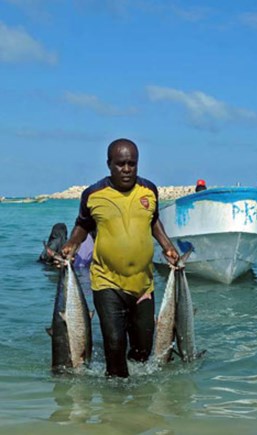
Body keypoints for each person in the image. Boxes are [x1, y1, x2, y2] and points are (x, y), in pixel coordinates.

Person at [58, 138, 179, 378]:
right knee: (114, 346)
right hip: (106, 282)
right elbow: (83, 224)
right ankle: (113, 404)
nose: (126, 169)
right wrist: (72, 243)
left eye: (131, 164)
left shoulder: (149, 191)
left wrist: (167, 246)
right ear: (109, 164)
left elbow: (153, 221)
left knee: (143, 351)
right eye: (120, 164)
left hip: (143, 284)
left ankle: (137, 406)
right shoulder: (93, 194)